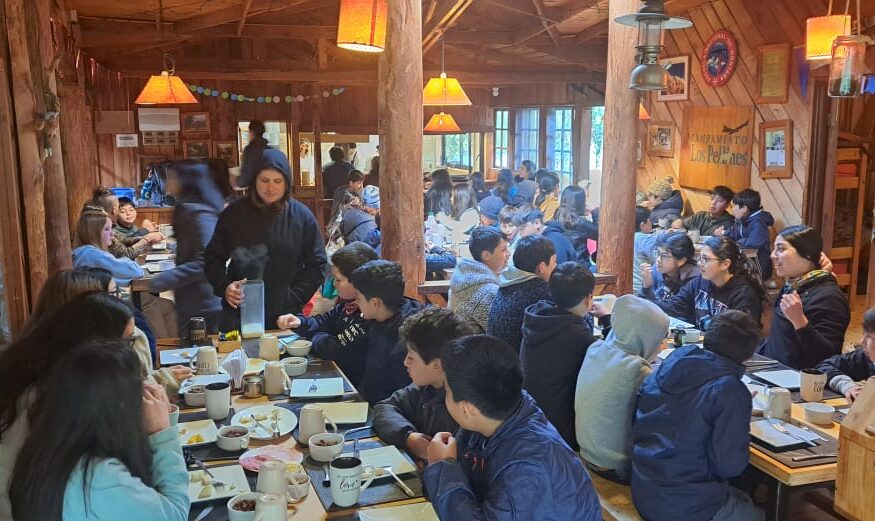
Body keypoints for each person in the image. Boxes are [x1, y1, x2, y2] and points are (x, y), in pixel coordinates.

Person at [423, 335, 601, 521]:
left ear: (467, 409)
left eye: (447, 391)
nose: (444, 397)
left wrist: (442, 467)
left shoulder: (527, 468)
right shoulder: (501, 414)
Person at [9, 340, 189, 521]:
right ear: (117, 407)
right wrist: (163, 434)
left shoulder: (43, 451)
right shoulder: (99, 478)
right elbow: (176, 514)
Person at [0, 293, 138, 520]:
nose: (130, 351)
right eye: (126, 341)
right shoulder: (43, 395)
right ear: (98, 342)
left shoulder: (48, 372)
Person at [631, 311, 764, 521]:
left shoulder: (672, 362)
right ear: (749, 355)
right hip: (685, 504)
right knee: (764, 513)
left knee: (744, 498)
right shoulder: (729, 390)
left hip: (644, 485)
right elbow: (729, 466)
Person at [204, 149, 327, 330]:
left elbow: (317, 264)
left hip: (285, 315)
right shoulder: (234, 214)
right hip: (239, 311)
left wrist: (295, 297)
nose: (270, 188)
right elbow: (212, 258)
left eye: (277, 181)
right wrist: (224, 286)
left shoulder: (301, 216)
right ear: (254, 180)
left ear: (286, 182)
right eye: (264, 180)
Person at [575, 295, 668, 484]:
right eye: (660, 338)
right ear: (646, 335)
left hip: (586, 452)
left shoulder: (596, 349)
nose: (661, 346)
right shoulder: (637, 369)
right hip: (616, 466)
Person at [373, 308, 472, 459]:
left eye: (411, 357)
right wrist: (408, 437)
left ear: (438, 365)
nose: (405, 362)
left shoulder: (465, 410)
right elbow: (385, 407)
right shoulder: (426, 387)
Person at [276, 242, 378, 387]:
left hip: (355, 386)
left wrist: (315, 337)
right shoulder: (347, 304)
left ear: (358, 282)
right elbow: (325, 321)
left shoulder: (369, 314)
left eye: (338, 280)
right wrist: (300, 322)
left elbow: (332, 349)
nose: (334, 284)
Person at [521, 262, 598, 449]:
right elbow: (607, 362)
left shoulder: (538, 316)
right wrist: (606, 319)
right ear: (589, 298)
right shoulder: (579, 337)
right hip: (560, 431)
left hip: (530, 418)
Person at [149, 161, 224, 337]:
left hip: (204, 303)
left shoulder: (200, 214)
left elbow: (206, 260)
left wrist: (165, 279)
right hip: (192, 300)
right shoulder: (190, 209)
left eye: (172, 178)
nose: (168, 183)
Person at [760, 225, 849, 369]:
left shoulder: (829, 298)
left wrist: (800, 322)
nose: (772, 255)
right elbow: (779, 338)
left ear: (807, 254)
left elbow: (828, 357)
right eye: (774, 249)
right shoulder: (794, 284)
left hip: (798, 380)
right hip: (773, 373)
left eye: (781, 249)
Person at [349, 260, 426, 404]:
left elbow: (400, 397)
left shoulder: (404, 342)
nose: (356, 303)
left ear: (375, 303)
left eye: (358, 298)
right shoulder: (380, 316)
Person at [647, 236, 765, 329]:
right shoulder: (700, 282)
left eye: (706, 259)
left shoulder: (744, 294)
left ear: (725, 264)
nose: (699, 263)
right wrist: (644, 302)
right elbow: (674, 306)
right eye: (700, 258)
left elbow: (741, 335)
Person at [487, 235, 555, 353]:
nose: (556, 266)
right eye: (554, 261)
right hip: (517, 361)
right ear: (542, 267)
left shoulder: (507, 281)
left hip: (495, 355)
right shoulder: (543, 291)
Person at [449, 227, 508, 333]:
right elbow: (501, 332)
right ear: (486, 255)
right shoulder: (487, 292)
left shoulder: (465, 277)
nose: (508, 254)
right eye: (503, 250)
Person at [72, 207, 145, 285]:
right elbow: (136, 271)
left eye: (111, 229)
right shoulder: (91, 254)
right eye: (107, 229)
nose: (112, 234)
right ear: (93, 233)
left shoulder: (82, 252)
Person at [818, 307, 875, 402]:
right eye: (864, 333)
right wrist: (848, 386)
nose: (862, 341)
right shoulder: (865, 357)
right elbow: (825, 366)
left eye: (869, 336)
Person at [88, 187, 163, 259]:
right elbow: (126, 254)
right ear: (114, 209)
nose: (128, 213)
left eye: (131, 210)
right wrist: (148, 238)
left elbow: (123, 240)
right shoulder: (103, 226)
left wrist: (148, 237)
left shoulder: (99, 221)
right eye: (120, 208)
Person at [717, 188, 775, 280]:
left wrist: (736, 243)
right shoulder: (743, 219)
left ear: (744, 209)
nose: (732, 210)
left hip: (758, 266)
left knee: (723, 271)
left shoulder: (758, 222)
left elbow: (753, 242)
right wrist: (723, 233)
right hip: (746, 261)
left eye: (733, 206)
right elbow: (734, 232)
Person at [639, 232, 700, 303]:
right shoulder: (656, 270)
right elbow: (640, 304)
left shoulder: (693, 280)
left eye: (664, 256)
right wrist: (646, 286)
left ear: (681, 261)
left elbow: (674, 307)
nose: (658, 260)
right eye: (658, 253)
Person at [552, 185, 598, 265]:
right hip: (578, 265)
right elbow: (599, 234)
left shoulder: (557, 215)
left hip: (559, 264)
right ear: (580, 203)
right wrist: (595, 211)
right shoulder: (578, 222)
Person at [439, 183, 480, 256]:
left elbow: (459, 227)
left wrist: (443, 219)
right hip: (456, 249)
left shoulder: (472, 213)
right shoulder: (458, 212)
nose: (451, 199)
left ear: (461, 199)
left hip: (466, 254)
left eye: (453, 196)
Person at [238, 120, 272, 188]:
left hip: (255, 190)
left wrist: (237, 181)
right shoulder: (270, 149)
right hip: (269, 189)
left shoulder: (250, 150)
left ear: (252, 132)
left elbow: (246, 178)